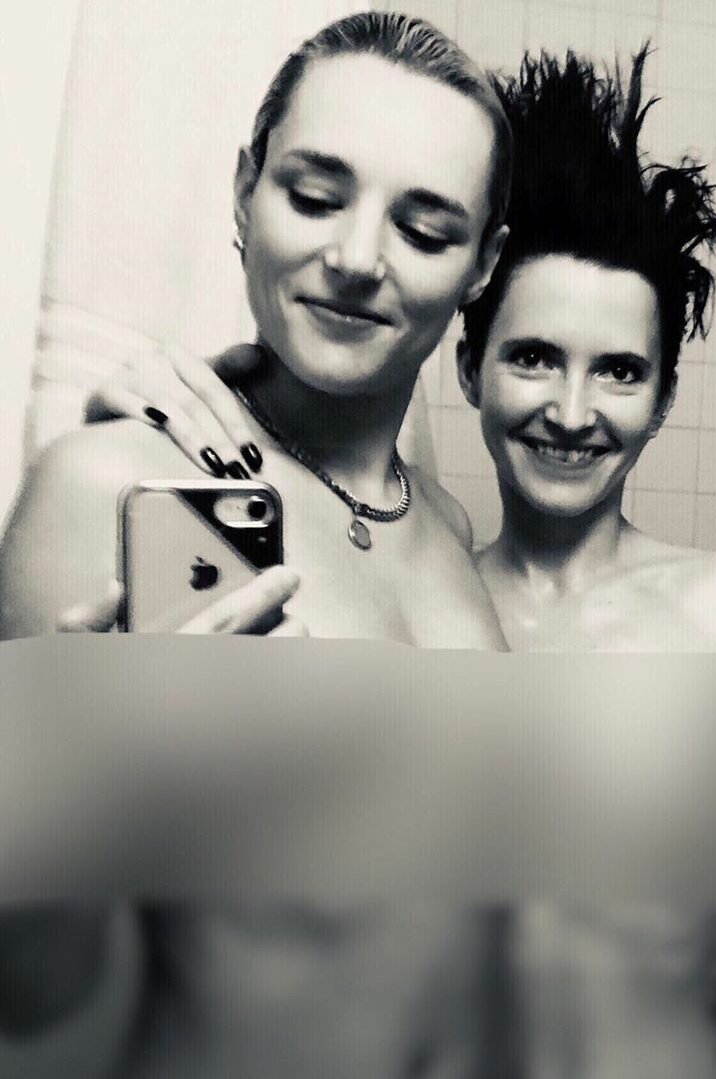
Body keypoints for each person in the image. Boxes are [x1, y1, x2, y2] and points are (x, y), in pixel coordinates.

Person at [75, 44, 716, 1078]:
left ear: (661, 400)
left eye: (620, 371)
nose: (571, 411)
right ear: (469, 365)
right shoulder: (431, 584)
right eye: (533, 357)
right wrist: (197, 399)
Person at [0, 13, 516, 1079]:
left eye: (425, 230)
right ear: (245, 189)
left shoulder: (447, 528)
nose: (356, 259)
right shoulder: (108, 484)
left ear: (482, 266)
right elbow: (26, 997)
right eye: (315, 196)